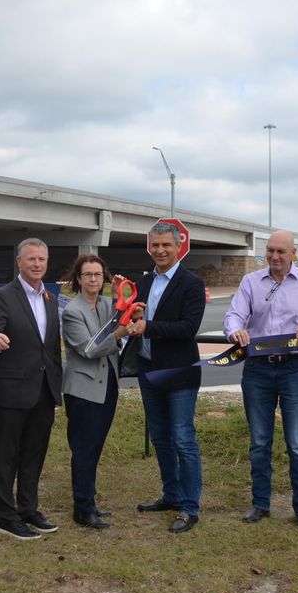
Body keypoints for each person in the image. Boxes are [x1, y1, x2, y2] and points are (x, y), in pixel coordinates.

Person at [223, 230, 298, 530]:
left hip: (295, 369)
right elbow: (233, 316)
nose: (275, 257)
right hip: (257, 369)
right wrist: (235, 332)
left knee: (296, 443)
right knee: (259, 441)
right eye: (270, 251)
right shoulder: (251, 282)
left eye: (281, 251)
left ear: (294, 253)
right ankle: (260, 504)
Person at [124, 221, 207, 534]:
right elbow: (137, 316)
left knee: (183, 439)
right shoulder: (144, 282)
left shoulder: (191, 283)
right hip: (148, 369)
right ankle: (171, 495)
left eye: (166, 245)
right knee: (160, 437)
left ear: (178, 247)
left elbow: (188, 328)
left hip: (180, 372)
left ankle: (189, 506)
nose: (160, 250)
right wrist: (134, 319)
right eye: (155, 245)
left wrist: (149, 327)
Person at [0, 238, 63, 541]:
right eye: (31, 259)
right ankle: (6, 515)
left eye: (42, 259)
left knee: (33, 454)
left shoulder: (50, 298)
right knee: (6, 456)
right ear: (19, 262)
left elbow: (52, 348)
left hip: (43, 391)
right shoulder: (3, 296)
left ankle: (29, 508)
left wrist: (56, 387)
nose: (37, 264)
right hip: (12, 391)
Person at [61, 254, 126, 529]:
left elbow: (122, 314)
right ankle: (83, 508)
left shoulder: (104, 304)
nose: (93, 279)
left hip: (107, 385)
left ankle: (89, 501)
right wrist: (121, 333)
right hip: (83, 390)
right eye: (87, 274)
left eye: (98, 275)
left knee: (95, 446)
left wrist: (129, 307)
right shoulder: (71, 311)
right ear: (78, 279)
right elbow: (88, 349)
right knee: (84, 448)